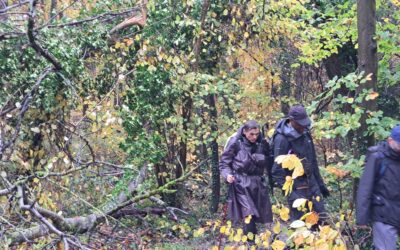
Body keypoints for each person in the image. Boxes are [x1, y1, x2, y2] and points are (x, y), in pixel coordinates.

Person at [271, 105, 329, 221]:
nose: (303, 127)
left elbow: (313, 161)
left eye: (304, 123)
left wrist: (320, 185)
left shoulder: (306, 133)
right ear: (291, 120)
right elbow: (276, 171)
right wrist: (291, 195)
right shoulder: (282, 139)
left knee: (321, 219)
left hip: (312, 182)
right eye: (300, 124)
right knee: (302, 225)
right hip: (296, 186)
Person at [220, 120, 273, 237]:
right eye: (251, 134)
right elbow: (224, 163)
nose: (254, 137)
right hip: (241, 183)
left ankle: (265, 239)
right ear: (244, 132)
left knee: (264, 214)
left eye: (257, 134)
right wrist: (227, 175)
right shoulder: (236, 143)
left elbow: (270, 159)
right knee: (248, 213)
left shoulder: (262, 143)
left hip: (258, 182)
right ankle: (250, 242)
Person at [356, 125, 400, 250]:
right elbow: (365, 188)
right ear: (390, 141)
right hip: (383, 214)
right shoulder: (378, 158)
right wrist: (362, 218)